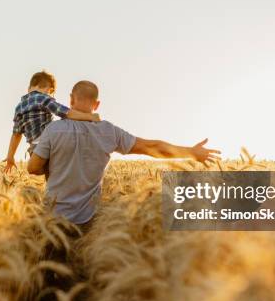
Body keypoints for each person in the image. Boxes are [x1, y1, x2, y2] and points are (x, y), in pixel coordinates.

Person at [27, 80, 221, 228]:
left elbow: (34, 169)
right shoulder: (109, 131)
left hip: (52, 221)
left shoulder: (53, 130)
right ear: (97, 104)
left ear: (71, 100)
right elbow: (151, 147)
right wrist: (191, 152)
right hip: (90, 222)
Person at [4, 71, 100, 174]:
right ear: (50, 89)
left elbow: (16, 134)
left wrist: (10, 156)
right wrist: (89, 116)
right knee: (58, 170)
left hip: (35, 150)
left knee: (45, 171)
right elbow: (65, 112)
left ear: (29, 87)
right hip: (52, 144)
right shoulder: (43, 98)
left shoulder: (19, 107)